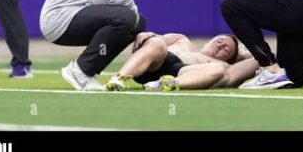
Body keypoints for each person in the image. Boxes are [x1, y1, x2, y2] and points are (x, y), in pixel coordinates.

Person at [105, 32, 258, 91]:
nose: (221, 45)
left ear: (229, 58)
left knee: (217, 70)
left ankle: (165, 85)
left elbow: (258, 60)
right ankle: (119, 79)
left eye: (226, 49)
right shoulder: (182, 40)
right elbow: (159, 39)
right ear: (209, 41)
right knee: (158, 44)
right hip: (157, 60)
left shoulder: (224, 65)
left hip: (183, 73)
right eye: (220, 40)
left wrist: (242, 54)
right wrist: (147, 36)